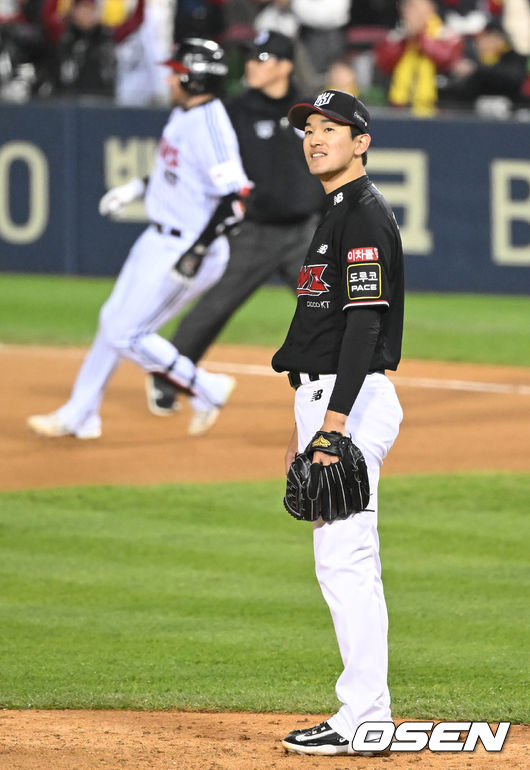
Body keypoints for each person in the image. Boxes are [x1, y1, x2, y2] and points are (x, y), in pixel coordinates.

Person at [27, 38, 250, 440]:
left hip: (187, 247)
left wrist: (195, 253)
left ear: (195, 79)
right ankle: (81, 415)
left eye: (176, 72)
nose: (169, 79)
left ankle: (206, 388)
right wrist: (135, 188)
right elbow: (178, 175)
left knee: (127, 333)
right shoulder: (186, 114)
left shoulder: (211, 126)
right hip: (158, 238)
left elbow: (235, 200)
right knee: (111, 320)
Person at [271, 89, 404, 756]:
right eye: (310, 128)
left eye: (333, 128)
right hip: (331, 398)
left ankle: (365, 714)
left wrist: (333, 425)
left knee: (347, 560)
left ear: (362, 142)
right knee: (345, 560)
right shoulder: (338, 213)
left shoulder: (364, 218)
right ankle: (366, 707)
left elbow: (364, 325)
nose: (317, 137)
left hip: (351, 400)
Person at [145, 30, 323, 420]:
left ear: (285, 67)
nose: (251, 66)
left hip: (303, 234)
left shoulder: (310, 111)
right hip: (252, 232)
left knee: (330, 308)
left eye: (261, 59)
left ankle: (346, 390)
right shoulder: (232, 111)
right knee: (212, 308)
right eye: (251, 58)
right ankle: (167, 377)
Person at [375, 0, 463, 114]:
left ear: (431, 8)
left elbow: (445, 60)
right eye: (406, 6)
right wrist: (405, 41)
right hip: (399, 107)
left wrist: (420, 35)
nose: (409, 10)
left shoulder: (446, 33)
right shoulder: (397, 36)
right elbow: (384, 64)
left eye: (414, 6)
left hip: (439, 107)